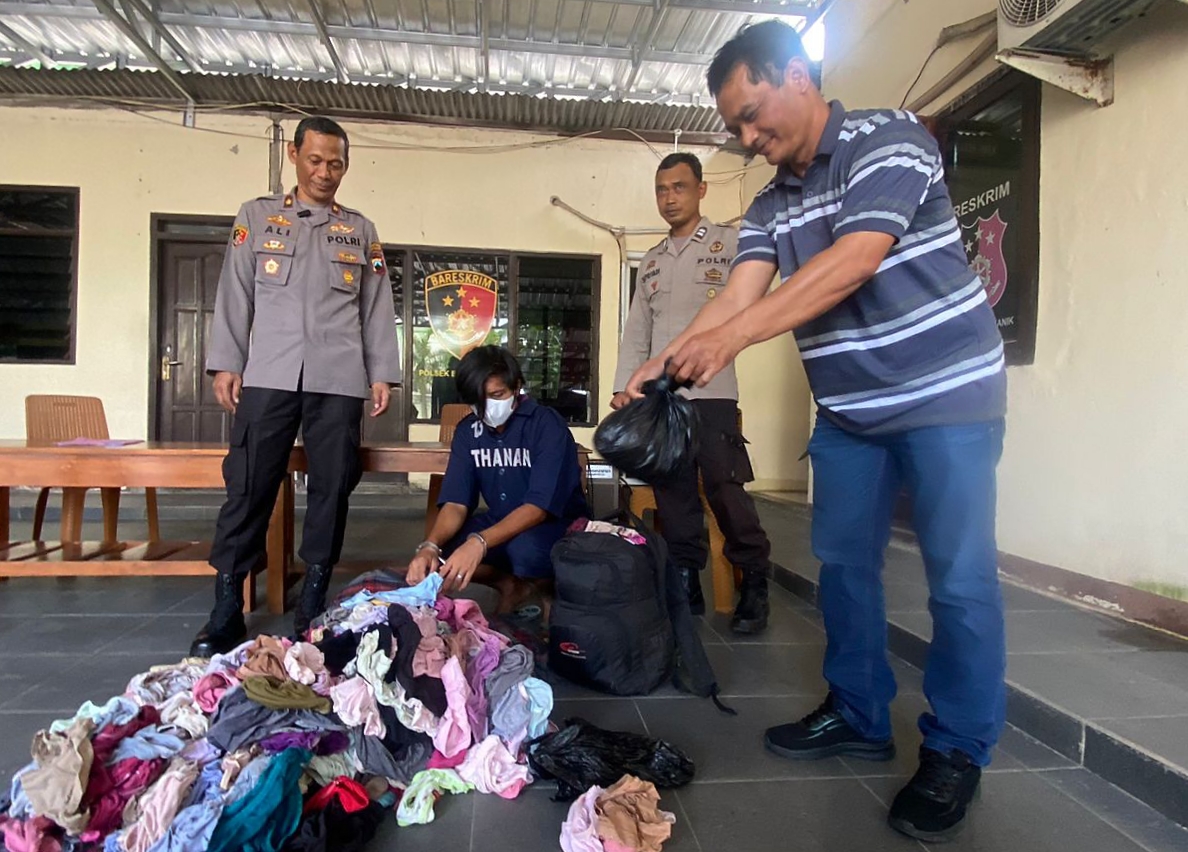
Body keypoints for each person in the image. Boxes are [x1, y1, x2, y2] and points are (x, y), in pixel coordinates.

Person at [624, 21, 1008, 843]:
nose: (750, 138)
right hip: (851, 413)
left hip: (948, 397)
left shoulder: (889, 139)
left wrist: (731, 341)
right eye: (737, 128)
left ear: (798, 73)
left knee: (961, 582)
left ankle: (956, 749)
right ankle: (861, 712)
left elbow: (855, 259)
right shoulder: (768, 203)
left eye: (755, 116)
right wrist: (663, 361)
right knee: (843, 568)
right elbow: (734, 295)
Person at [190, 116, 402, 657]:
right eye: (315, 160)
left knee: (332, 487)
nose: (325, 172)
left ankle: (313, 598)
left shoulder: (360, 230)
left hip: (338, 378)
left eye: (336, 163)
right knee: (249, 483)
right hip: (269, 372)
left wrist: (381, 373)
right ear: (294, 154)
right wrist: (225, 362)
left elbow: (377, 308)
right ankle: (226, 605)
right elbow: (236, 293)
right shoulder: (257, 218)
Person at [611, 152, 773, 635]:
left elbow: (749, 303)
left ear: (701, 190)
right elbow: (638, 328)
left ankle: (755, 580)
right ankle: (685, 580)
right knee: (673, 491)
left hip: (714, 390)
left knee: (725, 489)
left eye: (679, 187)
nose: (669, 198)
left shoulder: (730, 243)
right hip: (664, 399)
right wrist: (626, 387)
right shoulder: (654, 261)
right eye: (662, 189)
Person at [406, 346, 588, 613]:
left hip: (554, 524)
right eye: (478, 399)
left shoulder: (546, 425)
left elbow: (538, 507)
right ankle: (509, 585)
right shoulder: (468, 431)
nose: (488, 407)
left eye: (496, 395)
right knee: (447, 545)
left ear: (516, 387)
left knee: (525, 550)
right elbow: (456, 502)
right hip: (502, 519)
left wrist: (479, 543)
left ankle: (550, 594)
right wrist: (429, 547)